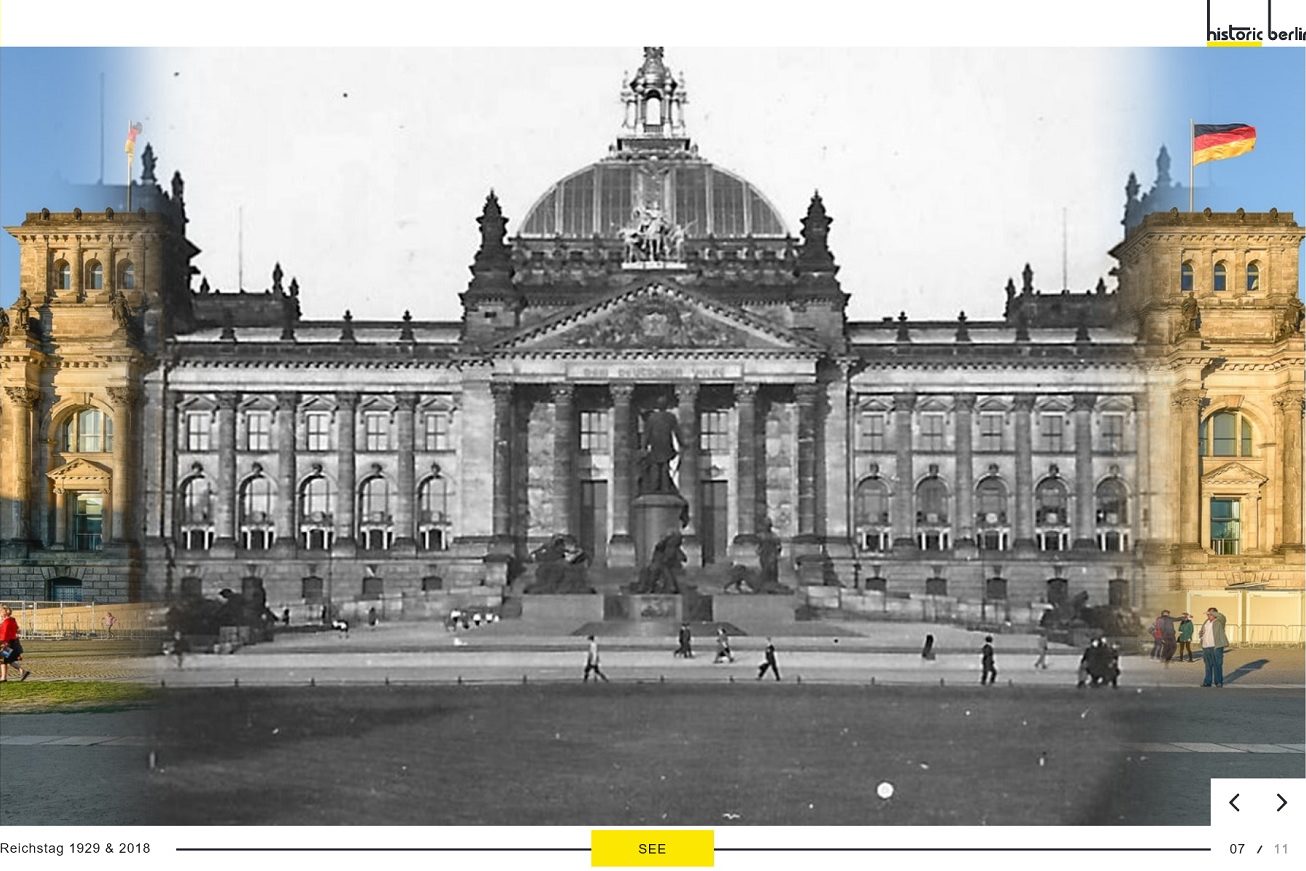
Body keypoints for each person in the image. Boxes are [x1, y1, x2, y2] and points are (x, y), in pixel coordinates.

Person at [0, 605, 32, 681]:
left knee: (2, 659)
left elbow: (4, 634)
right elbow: (17, 630)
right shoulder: (12, 620)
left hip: (7, 643)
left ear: (3, 612)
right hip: (12, 642)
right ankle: (22, 672)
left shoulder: (6, 622)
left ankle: (4, 677)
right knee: (8, 660)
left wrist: (2, 642)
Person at [1200, 606, 1229, 688]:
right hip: (1206, 646)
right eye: (1208, 614)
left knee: (1217, 665)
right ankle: (1207, 682)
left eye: (1210, 614)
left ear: (1215, 614)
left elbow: (1222, 616)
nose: (1208, 615)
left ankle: (1218, 682)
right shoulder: (1206, 622)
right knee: (1208, 666)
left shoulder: (1220, 621)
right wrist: (1201, 634)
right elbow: (1203, 631)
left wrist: (1212, 612)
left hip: (1216, 647)